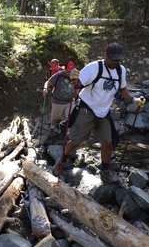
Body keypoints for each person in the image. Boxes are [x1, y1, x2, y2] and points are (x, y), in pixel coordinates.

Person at [53, 42, 146, 176]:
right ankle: (61, 161)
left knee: (108, 142)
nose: (115, 62)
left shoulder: (121, 71)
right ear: (105, 55)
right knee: (76, 140)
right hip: (87, 108)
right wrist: (73, 78)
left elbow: (123, 89)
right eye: (113, 59)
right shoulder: (93, 68)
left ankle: (105, 171)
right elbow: (78, 85)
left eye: (118, 59)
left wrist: (133, 100)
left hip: (104, 111)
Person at [43, 61, 79, 136]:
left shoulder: (75, 74)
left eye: (71, 71)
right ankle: (53, 127)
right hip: (57, 101)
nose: (70, 73)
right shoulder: (59, 75)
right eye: (68, 71)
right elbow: (48, 83)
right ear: (64, 69)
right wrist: (45, 89)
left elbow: (78, 87)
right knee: (55, 118)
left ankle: (68, 131)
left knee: (70, 116)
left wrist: (79, 95)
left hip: (70, 101)